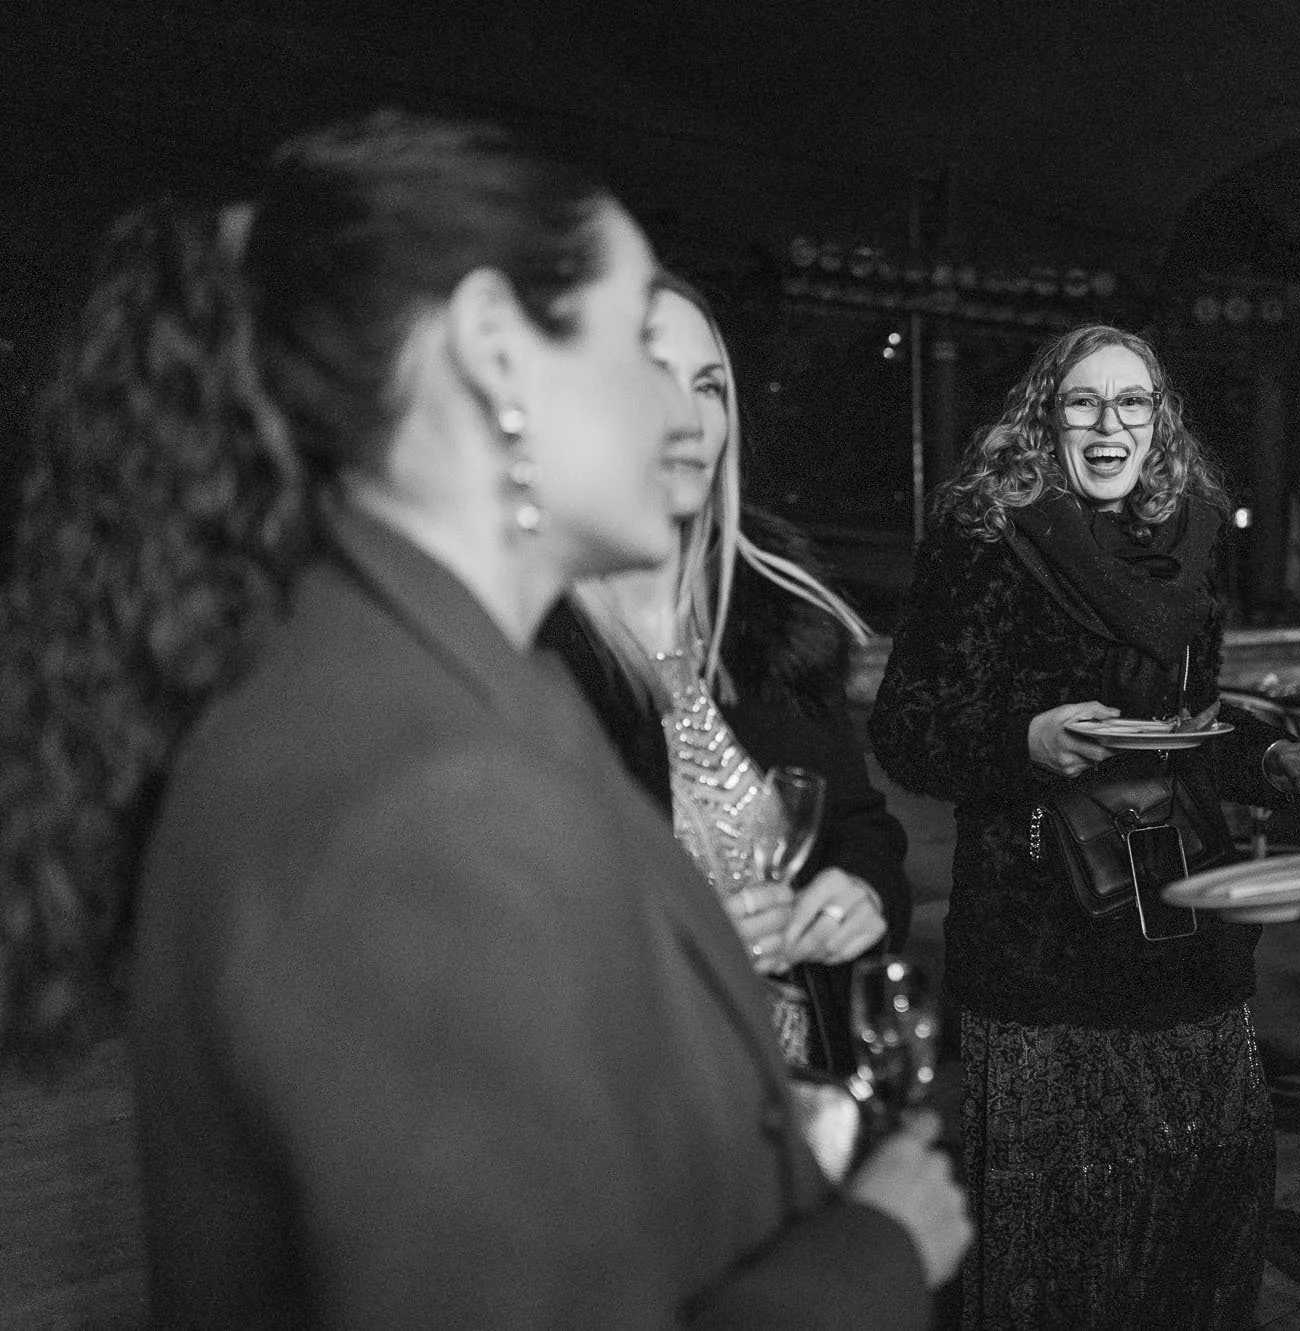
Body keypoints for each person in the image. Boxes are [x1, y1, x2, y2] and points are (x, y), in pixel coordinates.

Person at [0, 109, 966, 1325]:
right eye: (632, 345)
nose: (687, 421)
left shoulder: (400, 676)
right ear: (497, 354)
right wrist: (873, 1247)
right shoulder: (425, 795)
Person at [870, 323, 1300, 1329]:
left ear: (1160, 423)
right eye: (1084, 402)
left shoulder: (1190, 542)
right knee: (1058, 1253)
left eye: (1134, 403)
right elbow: (904, 728)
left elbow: (1188, 729)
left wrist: (1268, 760)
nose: (1110, 423)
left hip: (1178, 931)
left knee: (1197, 1232)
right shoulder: (988, 540)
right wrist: (1024, 740)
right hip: (1044, 952)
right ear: (1047, 419)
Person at [537, 274, 911, 1075]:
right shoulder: (531, 640)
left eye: (709, 386)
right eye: (654, 379)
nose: (690, 415)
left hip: (796, 1085)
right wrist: (685, 942)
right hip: (628, 1100)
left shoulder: (775, 615)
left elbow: (861, 826)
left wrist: (862, 893)